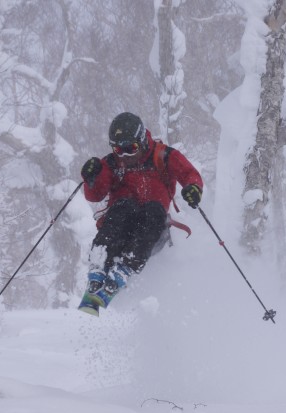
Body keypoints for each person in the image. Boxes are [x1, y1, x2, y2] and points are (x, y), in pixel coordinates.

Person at [78, 112, 203, 315]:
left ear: (143, 140)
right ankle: (99, 268)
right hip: (121, 227)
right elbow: (95, 195)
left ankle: (125, 268)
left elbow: (189, 174)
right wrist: (91, 179)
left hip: (153, 231)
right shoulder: (112, 163)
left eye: (131, 149)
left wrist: (193, 188)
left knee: (153, 210)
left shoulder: (163, 156)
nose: (125, 155)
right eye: (118, 149)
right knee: (123, 207)